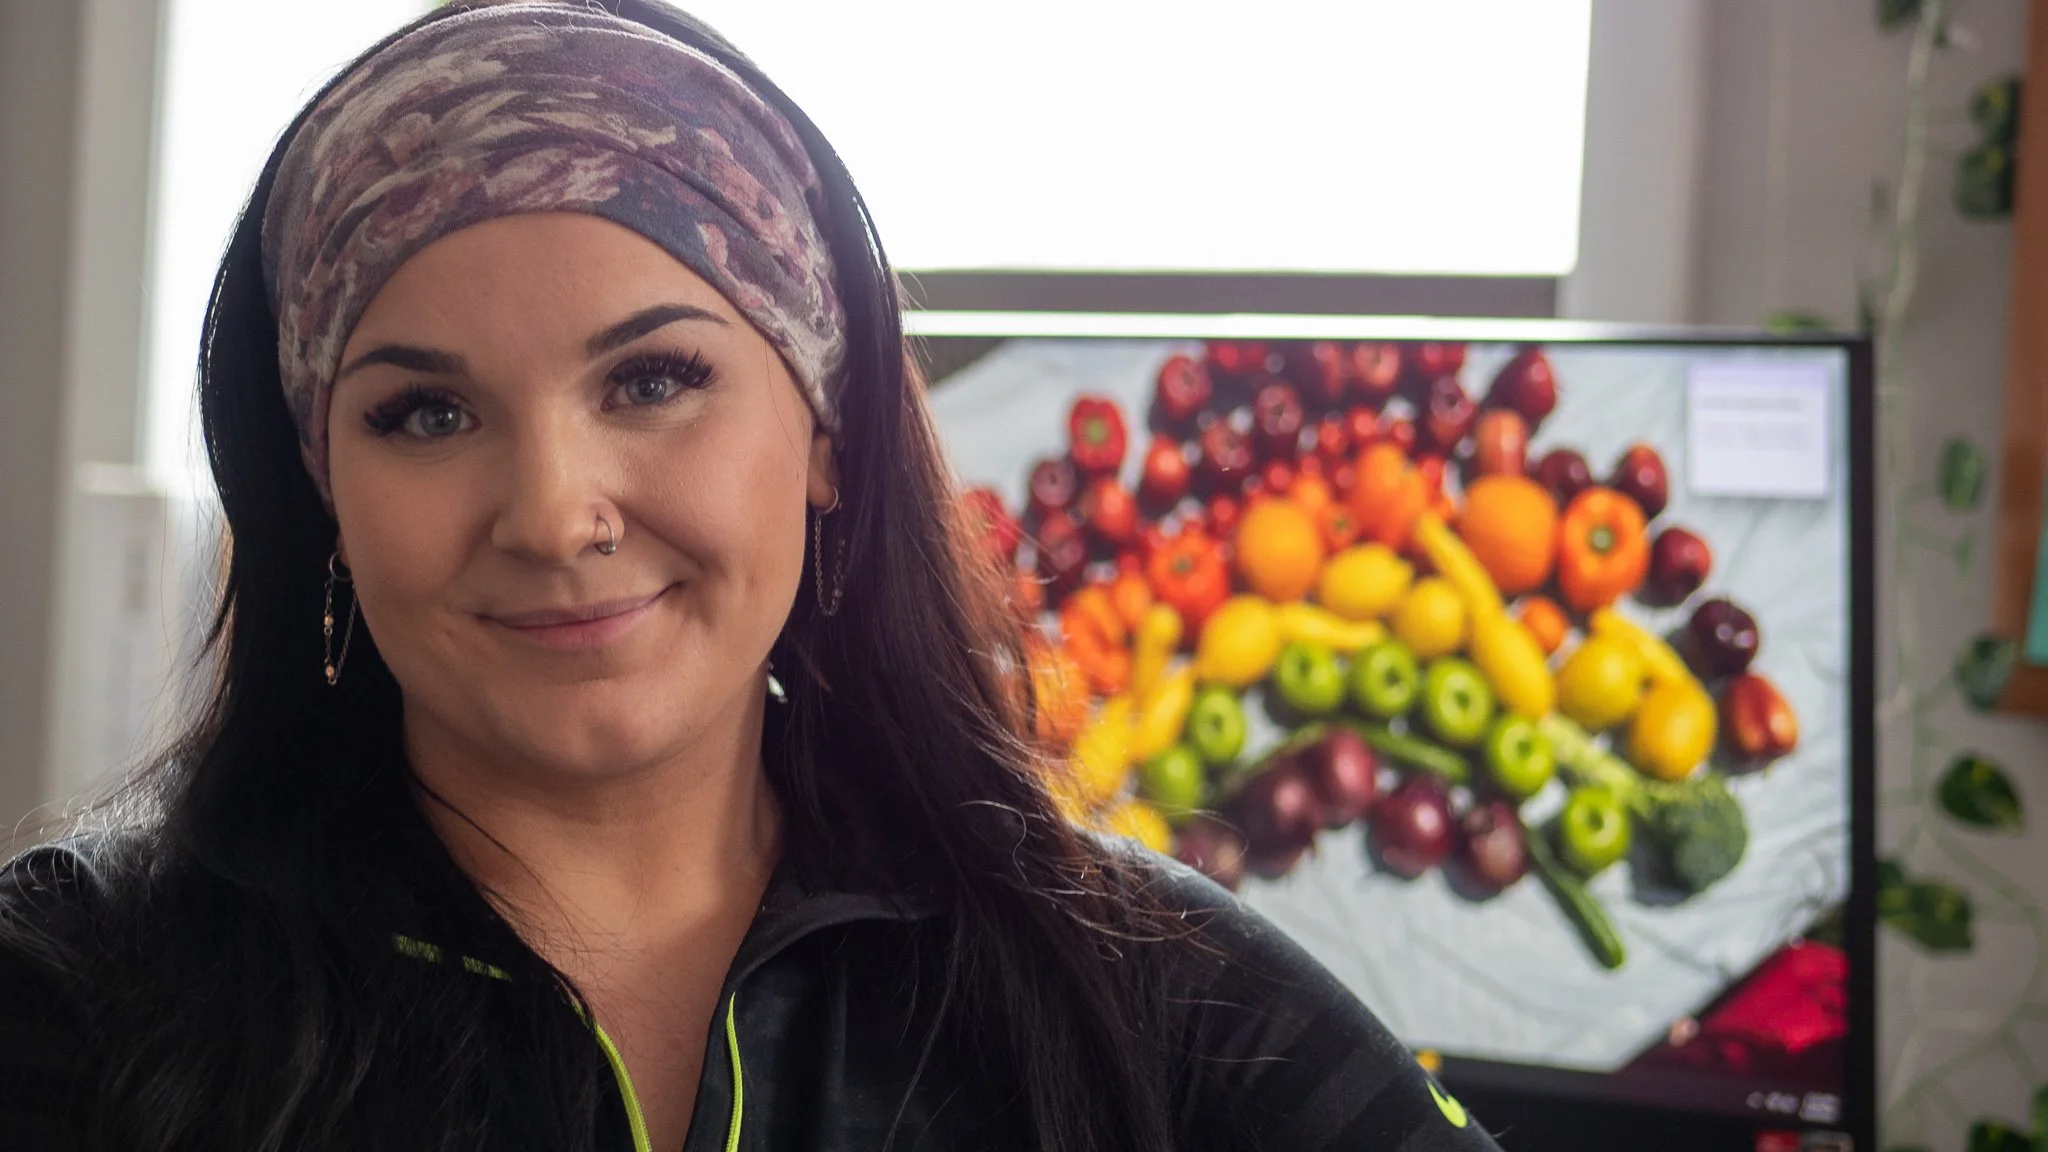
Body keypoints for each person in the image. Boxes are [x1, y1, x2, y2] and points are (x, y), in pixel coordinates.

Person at [0, 4, 1504, 1149]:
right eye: (426, 414)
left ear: (826, 430)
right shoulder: (73, 994)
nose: (555, 513)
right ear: (325, 488)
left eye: (653, 380)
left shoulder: (1146, 998)